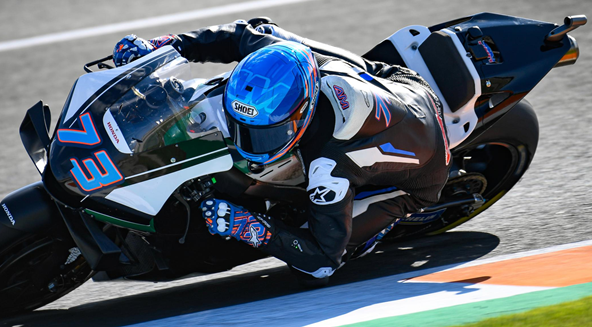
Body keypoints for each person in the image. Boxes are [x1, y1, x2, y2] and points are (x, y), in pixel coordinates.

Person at [112, 19, 451, 285]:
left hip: (425, 166)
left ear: (301, 114)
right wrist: (164, 45)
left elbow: (322, 261)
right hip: (396, 81)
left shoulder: (328, 167)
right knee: (273, 34)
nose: (250, 142)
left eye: (267, 134)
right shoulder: (283, 56)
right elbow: (240, 34)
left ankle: (378, 228)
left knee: (321, 249)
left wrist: (249, 226)